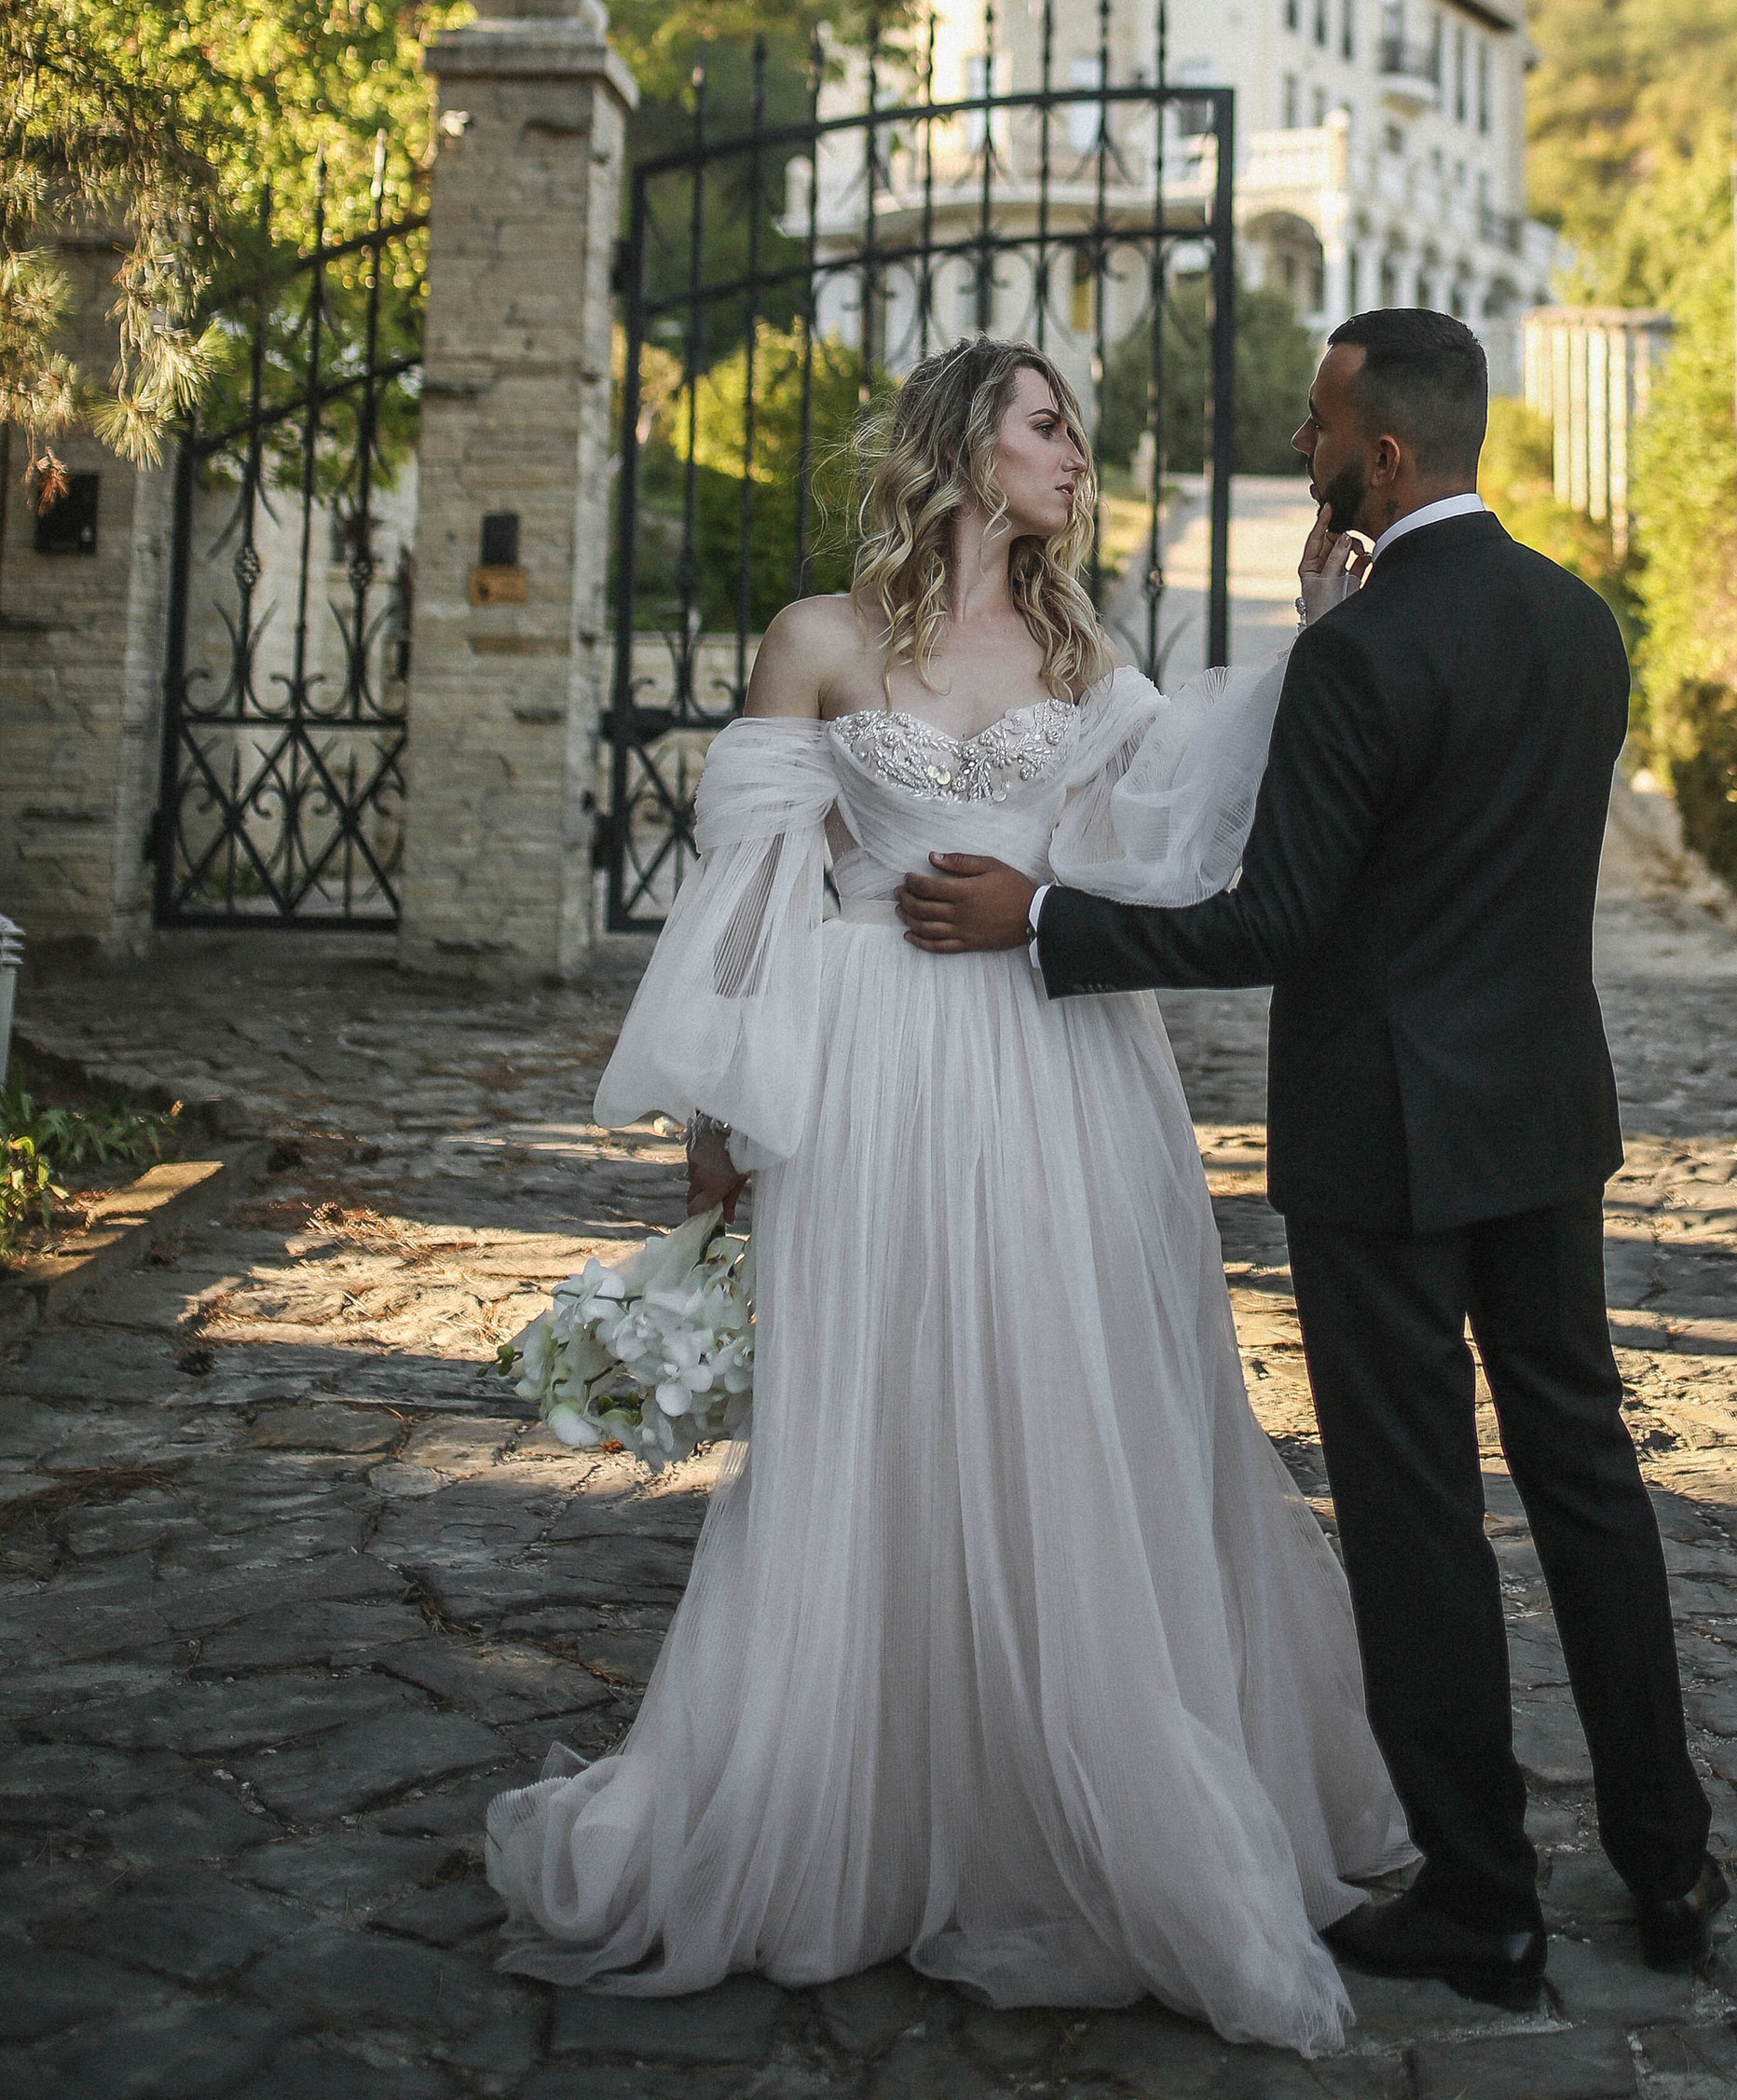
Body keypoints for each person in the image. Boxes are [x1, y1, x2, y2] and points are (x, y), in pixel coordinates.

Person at [486, 336, 1410, 2051]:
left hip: (1063, 1074)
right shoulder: (821, 641)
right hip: (871, 1080)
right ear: (970, 446)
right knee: (876, 1420)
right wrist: (720, 1110)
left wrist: (1318, 636)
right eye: (1052, 423)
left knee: (1073, 1407)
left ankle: (1082, 1797)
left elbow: (1188, 822)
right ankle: (851, 1802)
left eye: (1079, 431)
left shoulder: (1088, 651)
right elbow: (749, 890)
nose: (1078, 452)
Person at [901, 307, 1725, 2009]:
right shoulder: (1579, 627)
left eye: (1321, 427)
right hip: (1543, 1121)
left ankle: (1485, 1899)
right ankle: (1672, 1859)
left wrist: (1045, 915)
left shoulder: (1362, 655)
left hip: (1379, 1145)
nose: (1302, 447)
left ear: (1390, 456)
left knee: (1419, 1513)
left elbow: (1268, 920)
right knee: (1589, 1479)